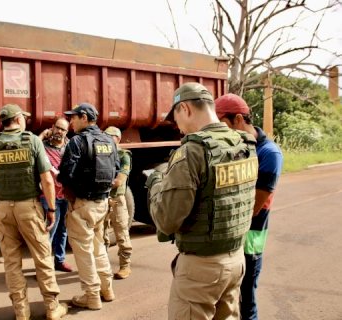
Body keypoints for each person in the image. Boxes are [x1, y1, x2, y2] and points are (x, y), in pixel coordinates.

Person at [145, 82, 258, 320]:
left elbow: (167, 221)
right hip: (236, 260)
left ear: (185, 108)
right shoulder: (245, 144)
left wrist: (156, 182)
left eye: (176, 118)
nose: (177, 127)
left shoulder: (192, 151)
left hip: (201, 269)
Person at [0, 103, 67, 320]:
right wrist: (52, 209)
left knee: (11, 262)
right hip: (29, 208)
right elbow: (47, 179)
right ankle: (52, 307)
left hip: (4, 210)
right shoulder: (32, 141)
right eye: (24, 117)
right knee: (43, 257)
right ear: (18, 119)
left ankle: (21, 312)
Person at [214, 93, 283, 320]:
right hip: (229, 237)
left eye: (222, 123)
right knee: (224, 301)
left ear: (238, 119)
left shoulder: (269, 153)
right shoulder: (233, 147)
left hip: (250, 237)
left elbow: (253, 206)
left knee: (245, 299)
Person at [58, 102, 119, 310]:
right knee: (97, 246)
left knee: (83, 251)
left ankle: (92, 296)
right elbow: (116, 169)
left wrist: (72, 197)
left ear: (84, 117)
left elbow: (65, 173)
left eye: (73, 117)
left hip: (83, 204)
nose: (70, 122)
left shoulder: (77, 141)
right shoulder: (109, 141)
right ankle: (107, 289)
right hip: (102, 202)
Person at [38, 117, 74, 272]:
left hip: (65, 195)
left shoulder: (70, 146)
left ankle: (59, 261)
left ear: (67, 132)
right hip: (49, 197)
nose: (59, 132)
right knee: (49, 231)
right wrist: (41, 135)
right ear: (52, 128)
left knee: (63, 230)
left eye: (63, 129)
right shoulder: (42, 146)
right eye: (57, 128)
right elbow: (32, 148)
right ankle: (43, 267)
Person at [103, 126, 133, 279]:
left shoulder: (123, 155)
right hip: (103, 199)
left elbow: (119, 181)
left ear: (118, 139)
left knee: (121, 232)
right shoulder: (102, 154)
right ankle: (104, 266)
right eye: (105, 136)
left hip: (117, 200)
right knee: (102, 235)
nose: (107, 139)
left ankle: (125, 265)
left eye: (111, 136)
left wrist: (100, 182)